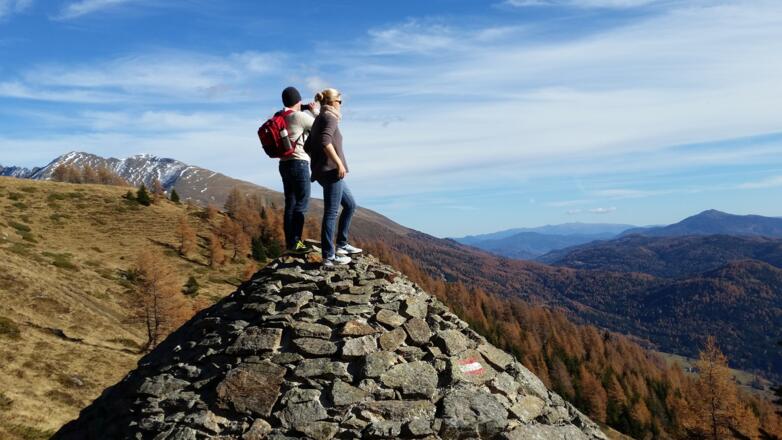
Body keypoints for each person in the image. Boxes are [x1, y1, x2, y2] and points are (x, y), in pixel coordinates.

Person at [305, 88, 362, 266]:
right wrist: (338, 163)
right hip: (331, 172)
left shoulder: (320, 118)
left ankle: (342, 245)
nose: (341, 104)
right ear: (332, 102)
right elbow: (324, 142)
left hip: (326, 171)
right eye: (340, 101)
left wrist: (320, 162)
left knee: (350, 205)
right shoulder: (329, 118)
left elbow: (308, 146)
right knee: (331, 213)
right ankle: (329, 256)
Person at [278, 86, 318, 254]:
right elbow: (321, 127)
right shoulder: (300, 117)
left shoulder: (279, 116)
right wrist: (314, 111)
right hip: (299, 163)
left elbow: (291, 109)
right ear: (299, 101)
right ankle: (296, 243)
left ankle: (290, 243)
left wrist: (302, 107)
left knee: (290, 204)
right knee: (301, 204)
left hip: (283, 164)